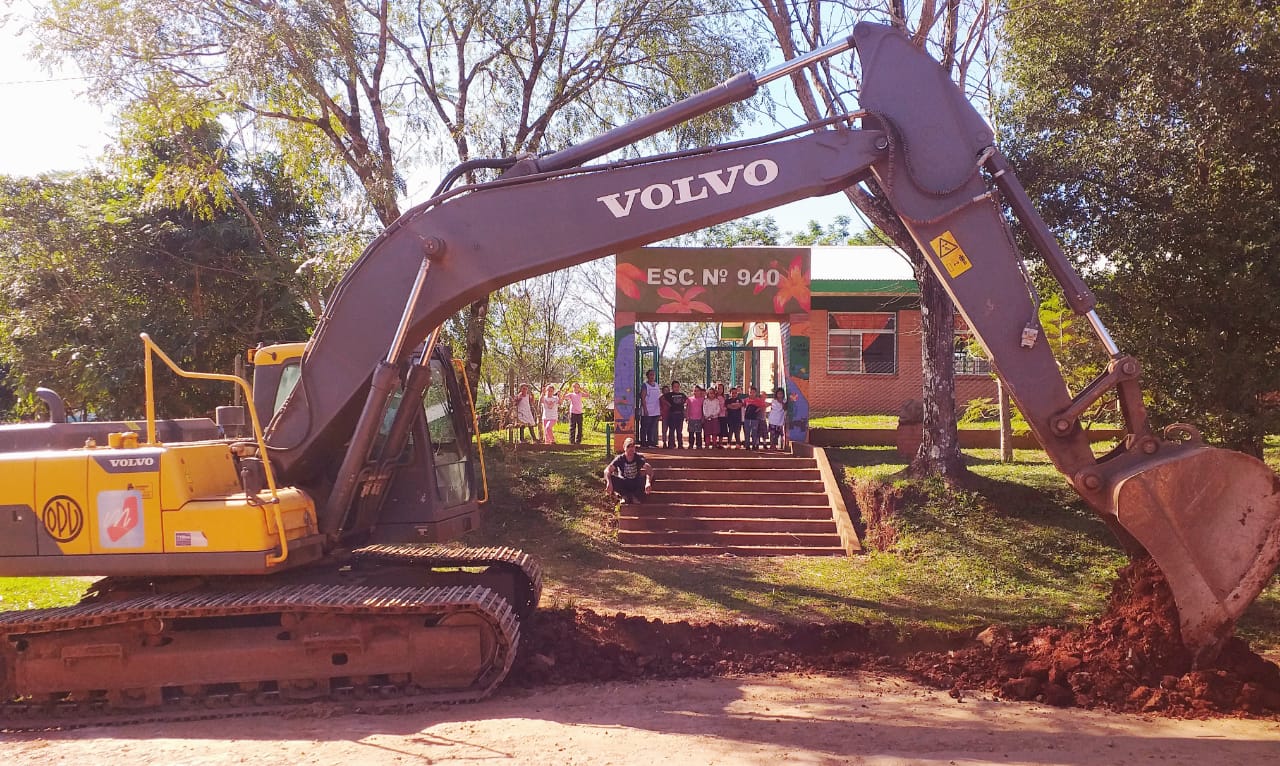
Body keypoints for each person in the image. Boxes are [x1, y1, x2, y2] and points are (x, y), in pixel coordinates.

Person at [604, 437, 653, 504]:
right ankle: (624, 496)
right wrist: (609, 482)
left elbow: (649, 469)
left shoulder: (638, 458)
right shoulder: (620, 458)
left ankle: (635, 496)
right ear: (624, 448)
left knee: (651, 478)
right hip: (624, 482)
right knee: (608, 477)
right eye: (628, 447)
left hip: (635, 482)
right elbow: (607, 470)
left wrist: (648, 482)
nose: (631, 449)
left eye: (632, 447)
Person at [639, 369, 661, 448]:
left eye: (653, 375)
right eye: (650, 375)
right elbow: (643, 397)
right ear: (647, 376)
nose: (652, 376)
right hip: (647, 409)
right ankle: (643, 442)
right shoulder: (645, 385)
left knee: (652, 427)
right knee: (645, 426)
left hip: (656, 409)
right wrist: (645, 409)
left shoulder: (656, 385)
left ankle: (650, 442)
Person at [662, 381, 688, 449]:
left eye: (677, 386)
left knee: (679, 431)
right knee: (672, 430)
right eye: (675, 387)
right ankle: (671, 444)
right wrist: (668, 404)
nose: (676, 388)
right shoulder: (669, 395)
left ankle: (680, 444)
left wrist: (685, 412)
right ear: (672, 387)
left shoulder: (682, 395)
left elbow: (687, 400)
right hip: (672, 415)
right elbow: (662, 398)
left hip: (680, 415)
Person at [686, 385, 705, 449]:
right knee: (691, 433)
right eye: (695, 391)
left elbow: (703, 409)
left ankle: (699, 445)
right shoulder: (689, 399)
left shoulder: (703, 399)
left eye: (697, 391)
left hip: (699, 419)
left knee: (698, 432)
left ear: (700, 392)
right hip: (691, 419)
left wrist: (703, 417)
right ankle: (691, 444)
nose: (696, 392)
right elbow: (687, 408)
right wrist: (687, 416)